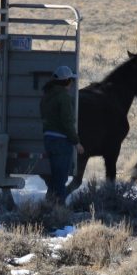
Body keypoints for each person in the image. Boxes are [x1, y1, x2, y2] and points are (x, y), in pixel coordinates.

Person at [40, 65, 83, 203]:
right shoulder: (64, 97)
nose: (72, 83)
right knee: (61, 178)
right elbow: (67, 122)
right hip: (61, 142)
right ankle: (60, 210)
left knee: (54, 177)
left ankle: (50, 205)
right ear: (67, 81)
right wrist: (76, 142)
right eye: (71, 80)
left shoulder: (47, 95)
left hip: (48, 139)